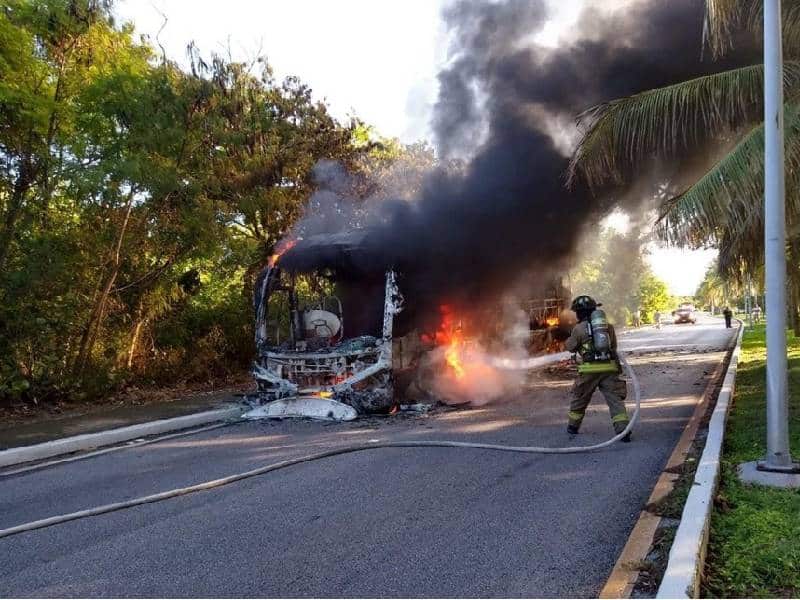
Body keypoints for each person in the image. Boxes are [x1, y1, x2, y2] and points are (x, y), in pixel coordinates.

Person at [564, 295, 631, 442]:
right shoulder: (608, 327)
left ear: (579, 313)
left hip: (589, 371)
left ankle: (573, 427)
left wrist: (569, 338)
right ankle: (623, 430)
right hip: (609, 369)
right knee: (615, 400)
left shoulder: (579, 329)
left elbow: (570, 347)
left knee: (580, 398)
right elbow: (613, 347)